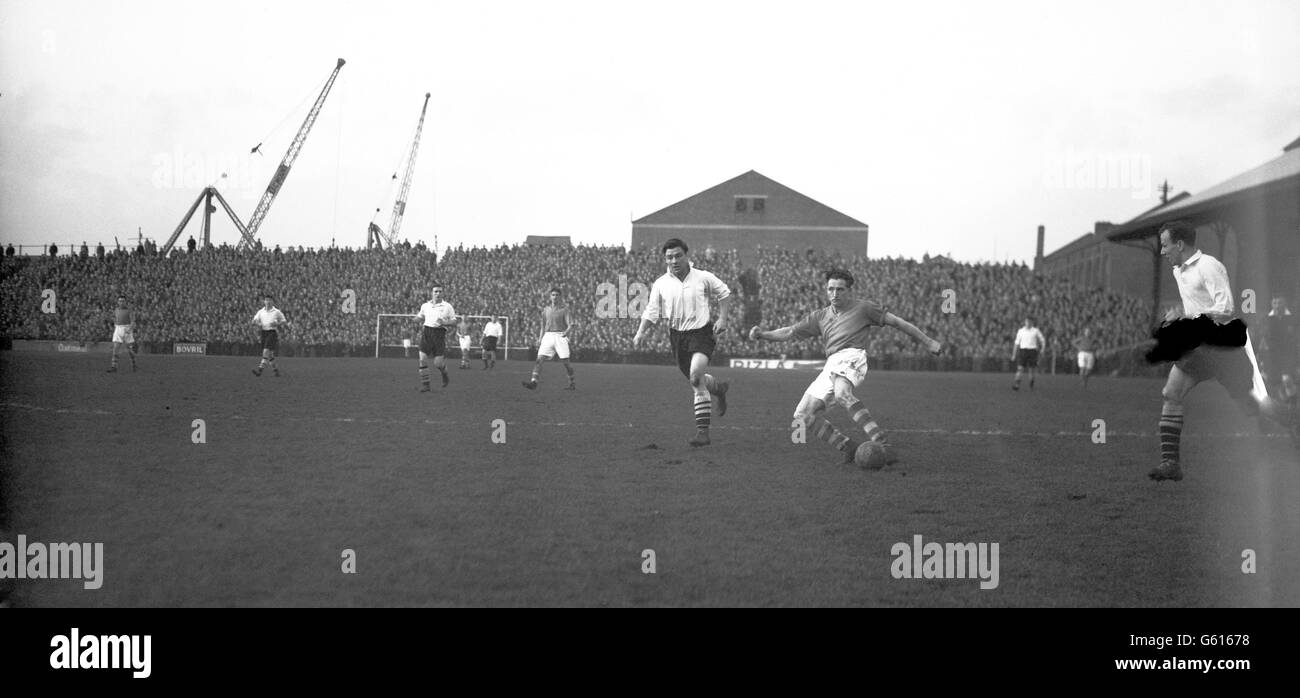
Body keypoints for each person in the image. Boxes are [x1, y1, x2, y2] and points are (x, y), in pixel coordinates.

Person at [1149, 221, 1298, 481]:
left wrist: (1188, 318)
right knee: (1171, 393)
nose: (1162, 251)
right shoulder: (1178, 270)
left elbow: (1226, 307)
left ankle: (1294, 420)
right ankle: (1170, 463)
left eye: (1165, 245)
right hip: (1197, 348)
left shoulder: (1209, 266)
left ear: (1180, 244)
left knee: (1256, 406)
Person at [749, 269, 942, 465]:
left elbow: (898, 323)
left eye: (840, 290)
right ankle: (848, 446)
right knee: (802, 415)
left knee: (842, 394)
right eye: (830, 289)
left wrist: (928, 342)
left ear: (849, 291)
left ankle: (884, 445)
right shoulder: (820, 316)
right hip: (832, 363)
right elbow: (790, 331)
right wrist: (763, 334)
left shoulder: (864, 308)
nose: (834, 294)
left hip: (852, 355)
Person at [632, 238, 732, 446]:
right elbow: (652, 311)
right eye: (669, 257)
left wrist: (722, 318)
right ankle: (719, 389)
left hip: (702, 333)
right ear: (665, 260)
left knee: (696, 378)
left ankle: (702, 434)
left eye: (678, 255)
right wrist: (641, 332)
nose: (674, 260)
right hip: (677, 337)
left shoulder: (703, 277)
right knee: (697, 380)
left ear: (687, 256)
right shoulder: (661, 283)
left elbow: (724, 293)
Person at [523, 288, 576, 390]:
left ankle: (572, 383)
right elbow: (543, 326)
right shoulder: (546, 309)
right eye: (553, 295)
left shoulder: (564, 309)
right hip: (548, 336)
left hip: (560, 336)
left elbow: (571, 324)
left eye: (556, 295)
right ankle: (534, 382)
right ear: (550, 296)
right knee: (539, 360)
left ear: (560, 297)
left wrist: (566, 332)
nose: (554, 297)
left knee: (566, 363)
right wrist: (540, 339)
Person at [413, 284, 457, 391]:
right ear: (432, 293)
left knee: (438, 363)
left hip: (439, 334)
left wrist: (445, 322)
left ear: (443, 293)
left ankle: (444, 374)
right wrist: (415, 319)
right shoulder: (425, 305)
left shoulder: (447, 306)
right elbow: (420, 316)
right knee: (422, 359)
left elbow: (454, 321)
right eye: (436, 291)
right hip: (427, 332)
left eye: (440, 291)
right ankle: (426, 385)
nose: (438, 293)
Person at [1262, 294, 1297, 408]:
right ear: (1272, 304)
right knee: (1275, 382)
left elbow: (1296, 338)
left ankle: (1293, 404)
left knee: (1287, 378)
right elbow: (1263, 339)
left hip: (1288, 354)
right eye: (1275, 303)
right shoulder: (1267, 319)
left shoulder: (1293, 319)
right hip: (1272, 355)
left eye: (1280, 303)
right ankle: (1287, 399)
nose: (1277, 306)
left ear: (1285, 304)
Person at [251, 294, 286, 377]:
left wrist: (277, 323)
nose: (268, 301)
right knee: (269, 355)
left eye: (270, 300)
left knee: (265, 351)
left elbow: (284, 321)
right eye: (266, 300)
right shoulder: (260, 311)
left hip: (272, 333)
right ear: (264, 301)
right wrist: (255, 322)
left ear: (272, 301)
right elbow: (254, 320)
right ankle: (276, 371)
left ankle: (259, 370)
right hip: (264, 332)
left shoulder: (276, 311)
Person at [1011, 317, 1045, 390]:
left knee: (1031, 370)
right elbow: (1016, 343)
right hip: (1023, 351)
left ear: (1032, 322)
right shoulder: (1021, 331)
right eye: (1027, 321)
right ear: (1025, 322)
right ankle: (1017, 385)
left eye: (1030, 322)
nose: (1028, 323)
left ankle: (1031, 385)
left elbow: (1042, 340)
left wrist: (1042, 349)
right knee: (1020, 368)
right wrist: (1014, 354)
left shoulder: (1036, 331)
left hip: (1032, 351)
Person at [106, 295, 138, 373]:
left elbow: (133, 322)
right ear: (118, 302)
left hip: (127, 329)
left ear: (125, 302)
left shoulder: (129, 310)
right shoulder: (116, 310)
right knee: (115, 348)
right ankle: (114, 367)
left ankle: (134, 363)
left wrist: (129, 329)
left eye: (123, 301)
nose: (121, 302)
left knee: (130, 350)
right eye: (120, 301)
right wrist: (115, 325)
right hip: (118, 329)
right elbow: (115, 319)